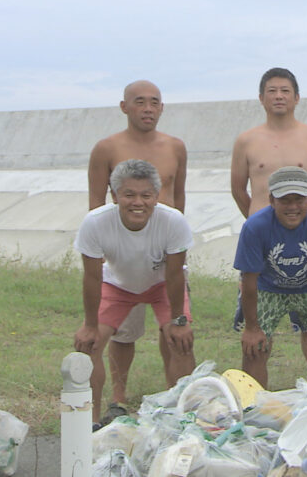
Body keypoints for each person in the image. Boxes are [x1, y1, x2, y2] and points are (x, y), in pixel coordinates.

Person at [86, 80, 187, 425]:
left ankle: (174, 406)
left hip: (166, 256)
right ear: (124, 107)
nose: (147, 108)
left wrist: (178, 247)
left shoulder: (176, 147)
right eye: (139, 102)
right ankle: (116, 399)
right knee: (121, 333)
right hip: (121, 262)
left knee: (173, 331)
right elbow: (96, 206)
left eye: (154, 102)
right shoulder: (106, 148)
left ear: (162, 108)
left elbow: (180, 199)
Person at [73, 159, 195, 430]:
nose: (137, 203)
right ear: (115, 196)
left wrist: (178, 321)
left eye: (145, 195)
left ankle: (181, 419)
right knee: (88, 345)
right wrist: (90, 325)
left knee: (181, 341)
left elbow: (175, 275)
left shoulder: (173, 221)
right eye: (129, 195)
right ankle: (89, 421)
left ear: (157, 195)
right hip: (118, 284)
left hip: (162, 283)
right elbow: (92, 277)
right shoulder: (95, 222)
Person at [230, 67, 307, 370]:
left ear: (297, 97)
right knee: (259, 326)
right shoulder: (246, 141)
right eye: (272, 91)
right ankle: (254, 402)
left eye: (285, 91)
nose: (278, 96)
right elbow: (238, 188)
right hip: (263, 240)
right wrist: (260, 224)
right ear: (261, 98)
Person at [234, 166, 307, 387]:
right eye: (285, 200)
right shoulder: (255, 227)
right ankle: (253, 406)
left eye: (299, 199)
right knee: (254, 348)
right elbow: (249, 280)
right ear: (271, 200)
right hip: (268, 287)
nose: (293, 207)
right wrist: (251, 328)